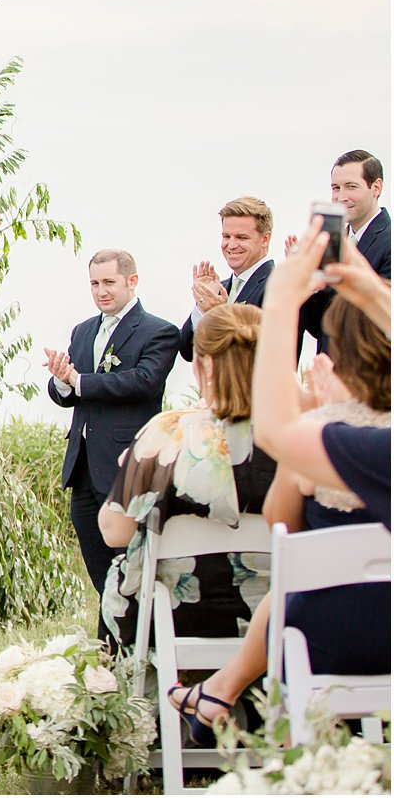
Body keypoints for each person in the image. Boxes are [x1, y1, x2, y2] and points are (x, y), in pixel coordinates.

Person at [165, 291, 390, 744]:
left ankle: (254, 722)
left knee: (291, 592)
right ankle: (219, 691)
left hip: (331, 639)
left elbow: (280, 524)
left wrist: (321, 415)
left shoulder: (324, 438)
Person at [95, 305, 277, 673]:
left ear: (204, 365)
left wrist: (134, 463)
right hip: (278, 621)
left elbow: (114, 532)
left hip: (179, 618)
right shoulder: (296, 437)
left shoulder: (168, 432)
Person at [43, 249, 181, 597]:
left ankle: (136, 638)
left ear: (131, 281)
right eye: (94, 283)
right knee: (99, 568)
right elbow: (68, 392)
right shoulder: (83, 330)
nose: (101, 291)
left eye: (109, 282)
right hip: (83, 466)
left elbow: (144, 381)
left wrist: (80, 381)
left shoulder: (160, 331)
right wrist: (62, 380)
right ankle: (110, 640)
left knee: (131, 565)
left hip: (127, 465)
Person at [254, 222, 392, 525]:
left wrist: (281, 301)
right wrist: (374, 294)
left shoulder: (362, 443)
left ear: (341, 352)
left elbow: (280, 523)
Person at [298, 150, 390, 353]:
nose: (341, 197)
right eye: (335, 188)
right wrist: (308, 283)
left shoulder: (389, 242)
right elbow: (321, 328)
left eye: (351, 187)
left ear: (376, 188)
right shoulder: (332, 247)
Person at [179, 196, 275, 362]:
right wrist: (203, 309)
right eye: (226, 236)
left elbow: (267, 352)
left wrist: (221, 313)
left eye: (241, 237)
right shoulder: (220, 288)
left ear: (265, 239)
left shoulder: (278, 286)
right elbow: (188, 351)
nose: (231, 245)